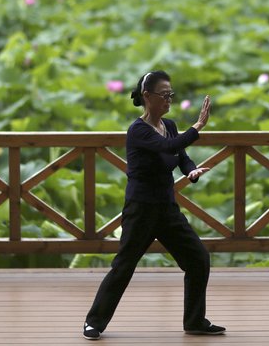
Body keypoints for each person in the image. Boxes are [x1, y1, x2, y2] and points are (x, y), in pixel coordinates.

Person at [83, 70, 226, 340]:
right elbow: (166, 146)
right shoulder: (138, 131)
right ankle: (94, 322)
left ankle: (195, 320)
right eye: (164, 95)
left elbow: (180, 154)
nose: (168, 100)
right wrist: (197, 127)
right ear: (147, 97)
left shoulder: (169, 125)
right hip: (141, 209)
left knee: (198, 258)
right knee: (124, 266)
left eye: (171, 95)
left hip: (166, 208)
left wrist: (191, 171)